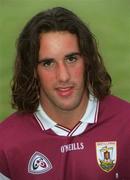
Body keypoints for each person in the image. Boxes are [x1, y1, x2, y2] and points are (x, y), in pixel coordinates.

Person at [0, 7, 130, 180]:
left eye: (71, 59)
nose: (63, 76)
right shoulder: (6, 143)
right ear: (32, 70)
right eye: (48, 63)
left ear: (87, 61)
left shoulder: (126, 123)